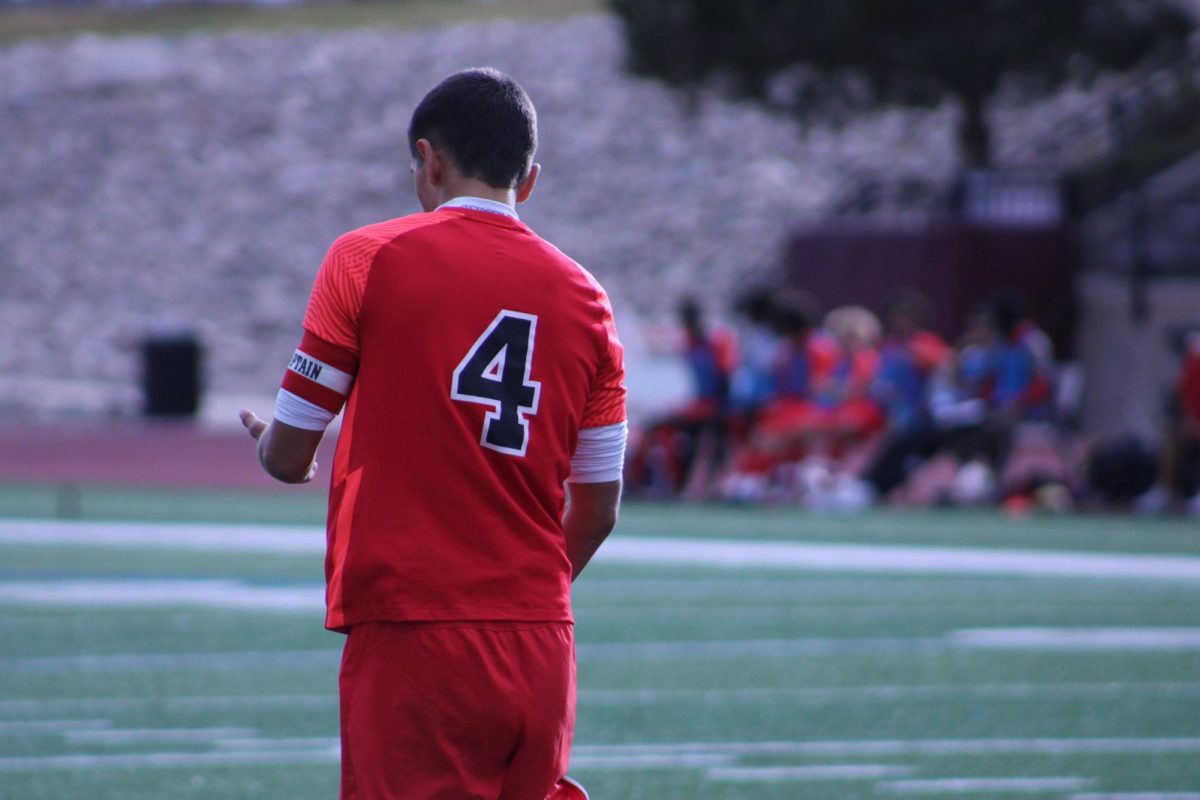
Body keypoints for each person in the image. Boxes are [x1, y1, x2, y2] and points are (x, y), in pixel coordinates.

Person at [239, 68, 625, 800]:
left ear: (431, 160)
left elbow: (291, 454)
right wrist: (512, 593)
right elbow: (600, 507)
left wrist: (269, 443)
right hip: (541, 637)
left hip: (417, 629)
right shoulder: (589, 298)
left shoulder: (366, 257)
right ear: (530, 179)